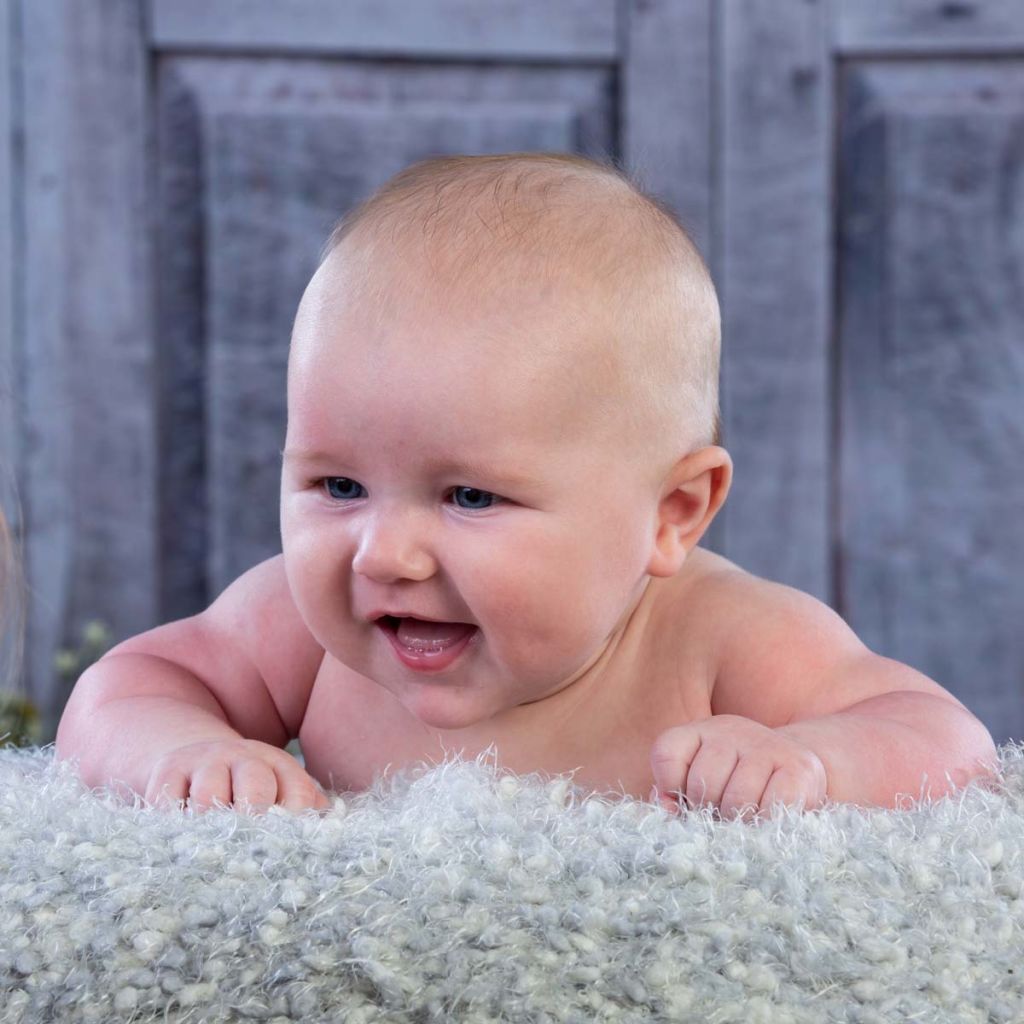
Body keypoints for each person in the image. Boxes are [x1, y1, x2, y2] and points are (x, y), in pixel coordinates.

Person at [54, 152, 999, 821]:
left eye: (469, 497)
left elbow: (945, 741)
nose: (383, 552)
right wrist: (179, 756)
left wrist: (813, 762)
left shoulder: (721, 640)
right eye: (339, 484)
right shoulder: (304, 635)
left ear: (672, 515)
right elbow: (126, 687)